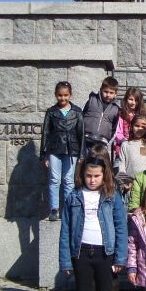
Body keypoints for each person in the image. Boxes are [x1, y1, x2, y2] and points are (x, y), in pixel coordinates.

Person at [59, 154, 127, 291]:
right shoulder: (74, 196)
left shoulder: (112, 196)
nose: (92, 179)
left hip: (105, 252)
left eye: (97, 176)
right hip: (81, 252)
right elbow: (65, 229)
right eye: (89, 175)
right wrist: (65, 261)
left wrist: (120, 257)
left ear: (104, 175)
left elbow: (121, 227)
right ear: (82, 175)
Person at [40, 81, 84, 221]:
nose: (63, 98)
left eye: (65, 95)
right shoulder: (51, 112)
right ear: (56, 95)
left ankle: (67, 209)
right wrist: (44, 154)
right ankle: (54, 209)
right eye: (60, 95)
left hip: (72, 150)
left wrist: (81, 154)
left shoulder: (77, 111)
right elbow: (45, 132)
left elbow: (81, 133)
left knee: (68, 180)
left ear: (70, 95)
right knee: (54, 179)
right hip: (54, 148)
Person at [82, 76, 120, 155]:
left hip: (102, 142)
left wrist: (108, 141)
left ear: (115, 94)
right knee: (85, 161)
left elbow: (114, 128)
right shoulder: (92, 100)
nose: (108, 95)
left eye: (111, 93)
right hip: (86, 139)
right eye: (105, 91)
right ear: (101, 90)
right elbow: (81, 116)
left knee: (99, 162)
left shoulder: (116, 109)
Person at [113, 87, 146, 157]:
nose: (133, 103)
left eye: (136, 100)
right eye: (131, 99)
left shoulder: (142, 115)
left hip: (139, 146)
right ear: (126, 99)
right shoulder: (121, 114)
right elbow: (117, 132)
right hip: (123, 147)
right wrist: (125, 142)